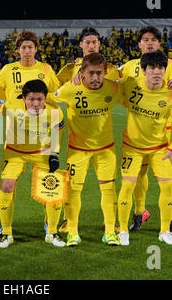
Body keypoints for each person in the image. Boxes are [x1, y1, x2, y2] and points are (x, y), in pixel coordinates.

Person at [119, 26, 172, 234]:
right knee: (139, 176)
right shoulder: (130, 66)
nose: (149, 43)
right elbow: (114, 83)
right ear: (139, 44)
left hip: (163, 132)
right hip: (138, 130)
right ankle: (139, 213)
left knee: (170, 178)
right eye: (145, 39)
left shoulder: (171, 65)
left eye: (154, 40)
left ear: (159, 44)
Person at [51, 52, 121, 246]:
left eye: (99, 73)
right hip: (77, 150)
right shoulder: (69, 89)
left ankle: (109, 232)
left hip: (106, 150)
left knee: (109, 190)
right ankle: (72, 232)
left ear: (105, 73)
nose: (96, 78)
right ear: (82, 72)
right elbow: (48, 100)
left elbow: (133, 90)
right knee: (73, 191)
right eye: (91, 73)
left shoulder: (113, 88)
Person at [0, 79, 65, 248]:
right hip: (15, 152)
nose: (36, 103)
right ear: (24, 98)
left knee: (53, 187)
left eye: (40, 99)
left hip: (41, 152)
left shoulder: (55, 112)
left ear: (45, 98)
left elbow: (59, 130)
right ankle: (6, 233)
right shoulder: (12, 105)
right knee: (6, 187)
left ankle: (52, 232)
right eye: (31, 99)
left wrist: (54, 153)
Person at [0, 30, 60, 101]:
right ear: (18, 50)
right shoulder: (8, 69)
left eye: (30, 47)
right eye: (23, 47)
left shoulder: (46, 68)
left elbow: (56, 92)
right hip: (14, 112)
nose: (27, 51)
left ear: (36, 49)